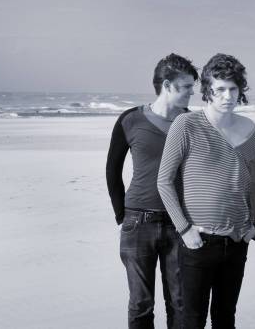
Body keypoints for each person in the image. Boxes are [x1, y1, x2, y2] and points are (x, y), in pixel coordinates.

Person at [158, 53, 255, 329]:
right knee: (192, 320)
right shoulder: (186, 125)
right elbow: (164, 181)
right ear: (208, 91)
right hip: (198, 241)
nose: (227, 96)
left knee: (225, 319)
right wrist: (185, 230)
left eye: (233, 88)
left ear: (241, 90)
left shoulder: (249, 129)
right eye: (220, 89)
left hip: (237, 242)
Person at [106, 53, 198, 329]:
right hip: (138, 223)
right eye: (187, 87)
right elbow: (113, 168)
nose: (193, 93)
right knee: (141, 303)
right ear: (167, 85)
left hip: (180, 223)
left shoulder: (193, 122)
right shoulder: (130, 120)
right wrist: (122, 213)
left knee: (180, 302)